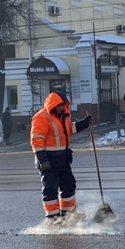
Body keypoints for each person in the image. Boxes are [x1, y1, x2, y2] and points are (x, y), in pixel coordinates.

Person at [30, 91, 92, 224]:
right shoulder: (41, 117)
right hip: (48, 161)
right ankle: (53, 218)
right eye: (59, 105)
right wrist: (43, 159)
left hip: (63, 160)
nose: (61, 108)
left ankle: (68, 215)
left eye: (63, 105)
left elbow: (68, 129)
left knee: (69, 186)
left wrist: (84, 123)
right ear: (53, 104)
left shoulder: (63, 117)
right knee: (50, 190)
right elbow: (37, 140)